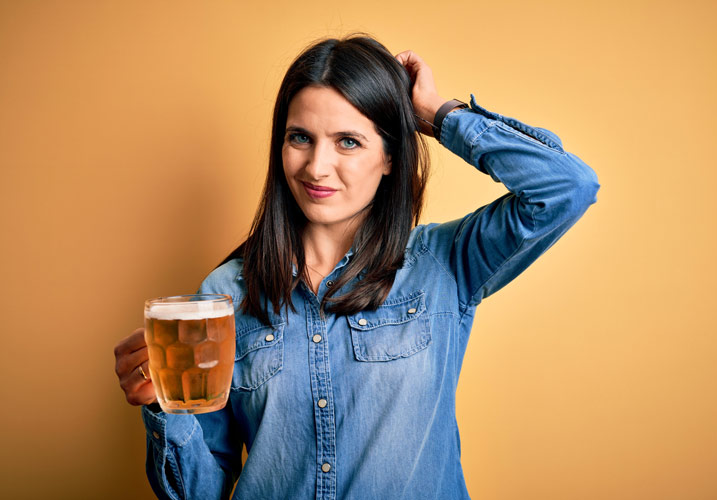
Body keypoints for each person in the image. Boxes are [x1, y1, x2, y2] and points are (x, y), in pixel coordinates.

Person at [114, 35, 599, 500]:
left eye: (348, 141)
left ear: (390, 156)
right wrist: (163, 408)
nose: (317, 167)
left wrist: (437, 114)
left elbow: (566, 187)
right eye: (300, 137)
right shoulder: (224, 295)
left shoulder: (444, 264)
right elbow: (199, 493)